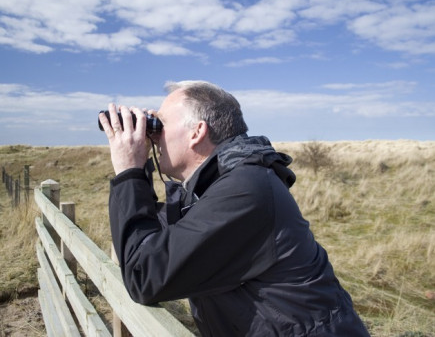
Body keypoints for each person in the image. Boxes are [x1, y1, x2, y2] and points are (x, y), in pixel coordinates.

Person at [99, 80, 370, 336]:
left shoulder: (246, 189)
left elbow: (144, 274)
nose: (154, 136)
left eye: (161, 125)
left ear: (197, 132)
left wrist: (129, 172)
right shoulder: (215, 186)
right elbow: (151, 241)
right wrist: (140, 163)